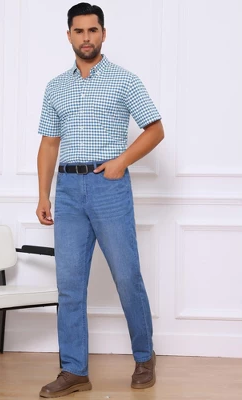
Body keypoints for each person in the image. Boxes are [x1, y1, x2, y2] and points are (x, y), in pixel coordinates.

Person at [36, 3, 164, 398]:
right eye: (79, 31)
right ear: (69, 36)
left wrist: (121, 162)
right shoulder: (56, 86)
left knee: (127, 276)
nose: (86, 37)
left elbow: (155, 129)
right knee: (70, 285)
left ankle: (144, 356)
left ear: (103, 34)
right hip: (68, 191)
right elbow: (49, 143)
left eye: (93, 30)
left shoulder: (125, 80)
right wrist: (43, 194)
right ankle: (74, 370)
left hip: (109, 187)